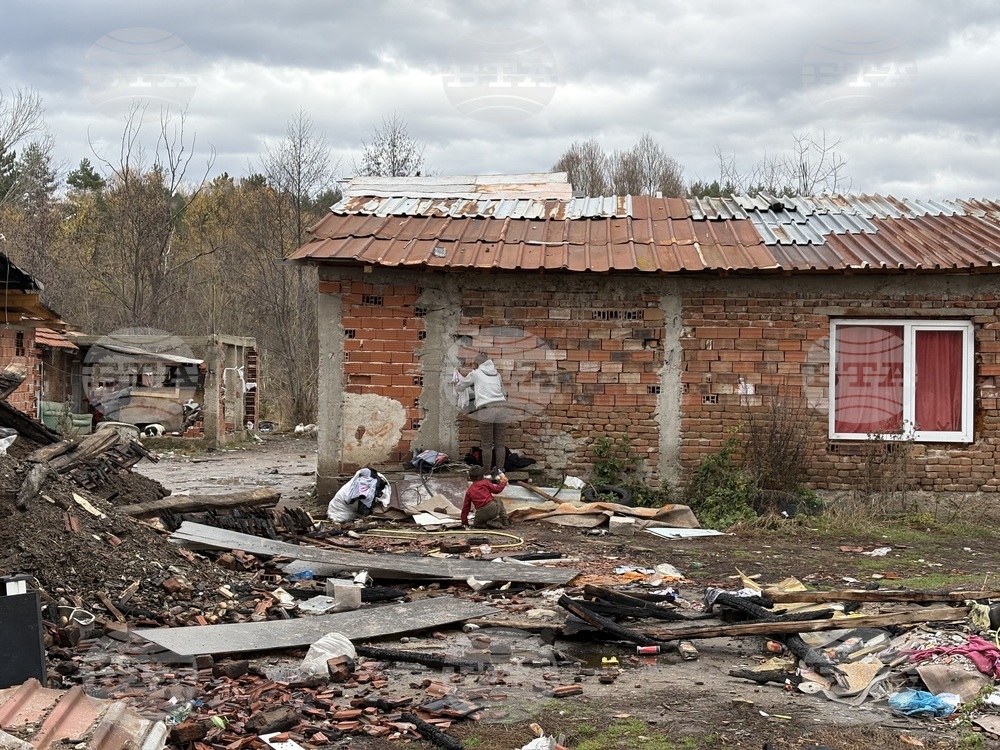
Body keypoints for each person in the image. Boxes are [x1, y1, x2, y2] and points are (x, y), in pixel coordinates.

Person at [456, 352, 509, 471]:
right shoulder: (497, 375)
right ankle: (500, 471)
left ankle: (486, 472)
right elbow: (502, 392)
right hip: (502, 408)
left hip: (486, 410)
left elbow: (460, 387)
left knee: (487, 444)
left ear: (477, 363)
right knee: (500, 444)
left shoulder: (475, 374)